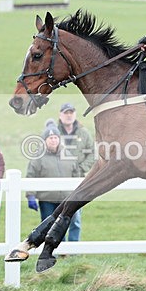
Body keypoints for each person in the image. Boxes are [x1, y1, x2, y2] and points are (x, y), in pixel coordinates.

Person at [25, 119, 79, 225]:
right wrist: (30, 195)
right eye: (50, 138)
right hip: (47, 200)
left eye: (55, 138)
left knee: (61, 228)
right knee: (47, 226)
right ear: (45, 140)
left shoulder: (68, 155)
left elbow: (76, 174)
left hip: (65, 199)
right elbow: (31, 175)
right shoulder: (38, 157)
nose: (53, 140)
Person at [54, 102, 95, 241]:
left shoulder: (84, 133)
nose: (69, 115)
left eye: (71, 112)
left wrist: (81, 168)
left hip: (77, 179)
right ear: (60, 115)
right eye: (66, 113)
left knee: (75, 216)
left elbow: (92, 154)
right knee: (58, 214)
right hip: (58, 179)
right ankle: (59, 245)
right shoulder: (54, 133)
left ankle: (73, 247)